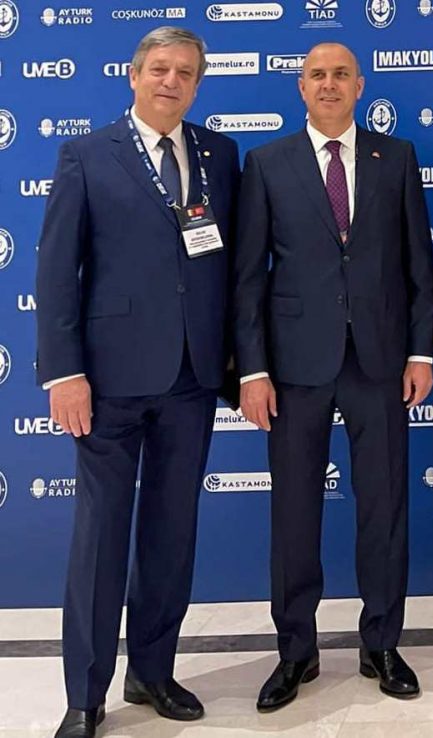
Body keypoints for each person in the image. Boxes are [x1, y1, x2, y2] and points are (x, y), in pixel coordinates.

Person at [35, 26, 239, 738]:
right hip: (109, 380)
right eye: (159, 69)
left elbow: (230, 268)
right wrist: (64, 372)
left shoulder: (219, 154)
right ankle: (85, 696)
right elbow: (56, 274)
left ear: (198, 83)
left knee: (170, 535)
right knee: (100, 539)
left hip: (191, 377)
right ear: (134, 75)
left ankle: (153, 672)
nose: (171, 81)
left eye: (185, 72)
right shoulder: (88, 155)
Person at [234, 42, 433, 711]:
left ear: (360, 85)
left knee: (384, 507)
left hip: (380, 361)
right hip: (295, 367)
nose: (329, 84)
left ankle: (382, 643)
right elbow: (248, 278)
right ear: (301, 86)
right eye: (317, 75)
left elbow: (418, 265)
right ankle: (296, 649)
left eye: (340, 75)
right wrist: (253, 369)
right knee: (295, 513)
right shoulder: (266, 163)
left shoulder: (395, 157)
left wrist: (420, 354)